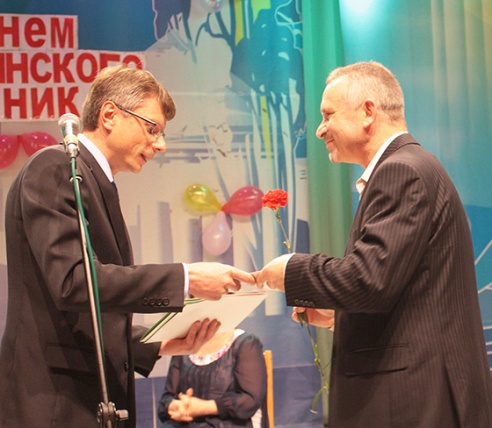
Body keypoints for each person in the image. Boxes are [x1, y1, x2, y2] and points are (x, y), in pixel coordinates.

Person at [0, 64, 256, 427]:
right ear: (109, 115)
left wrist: (158, 344)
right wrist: (186, 279)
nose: (161, 144)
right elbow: (74, 282)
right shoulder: (57, 168)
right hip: (53, 403)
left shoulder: (97, 180)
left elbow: (92, 313)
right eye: (152, 129)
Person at [257, 61, 492, 427]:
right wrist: (341, 317)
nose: (319, 129)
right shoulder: (411, 166)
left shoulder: (402, 170)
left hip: (414, 403)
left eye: (328, 115)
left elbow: (368, 281)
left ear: (368, 112)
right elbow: (409, 296)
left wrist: (289, 270)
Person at [158, 328, 268, 427]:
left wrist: (204, 407)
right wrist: (175, 406)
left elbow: (250, 400)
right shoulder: (185, 345)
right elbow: (166, 398)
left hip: (228, 423)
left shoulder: (245, 343)